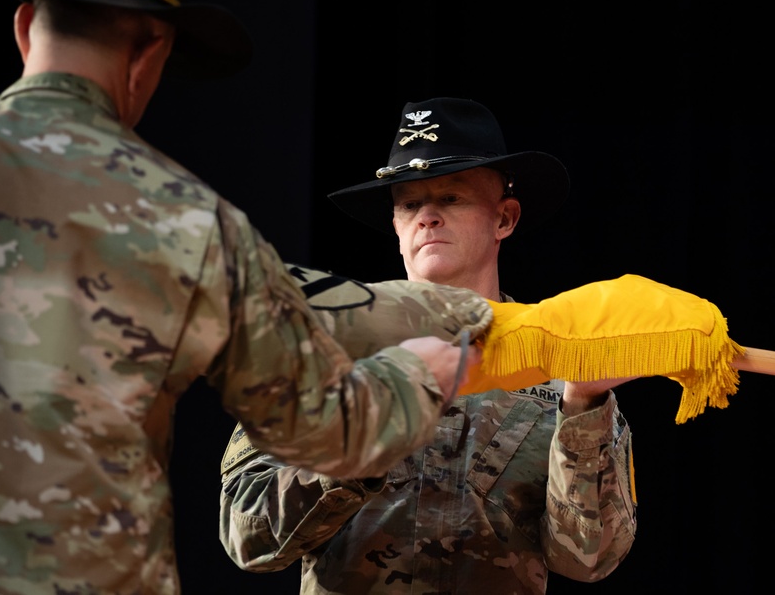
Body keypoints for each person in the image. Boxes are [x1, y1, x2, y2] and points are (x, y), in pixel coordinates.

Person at [0, 0, 483, 594]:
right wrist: (419, 373)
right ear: (150, 53)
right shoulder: (193, 223)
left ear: (25, 28)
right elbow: (322, 429)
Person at [219, 97, 638, 593]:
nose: (427, 217)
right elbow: (249, 538)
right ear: (396, 226)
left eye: (451, 198)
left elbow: (590, 560)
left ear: (504, 218)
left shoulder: (559, 363)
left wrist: (585, 406)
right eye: (410, 204)